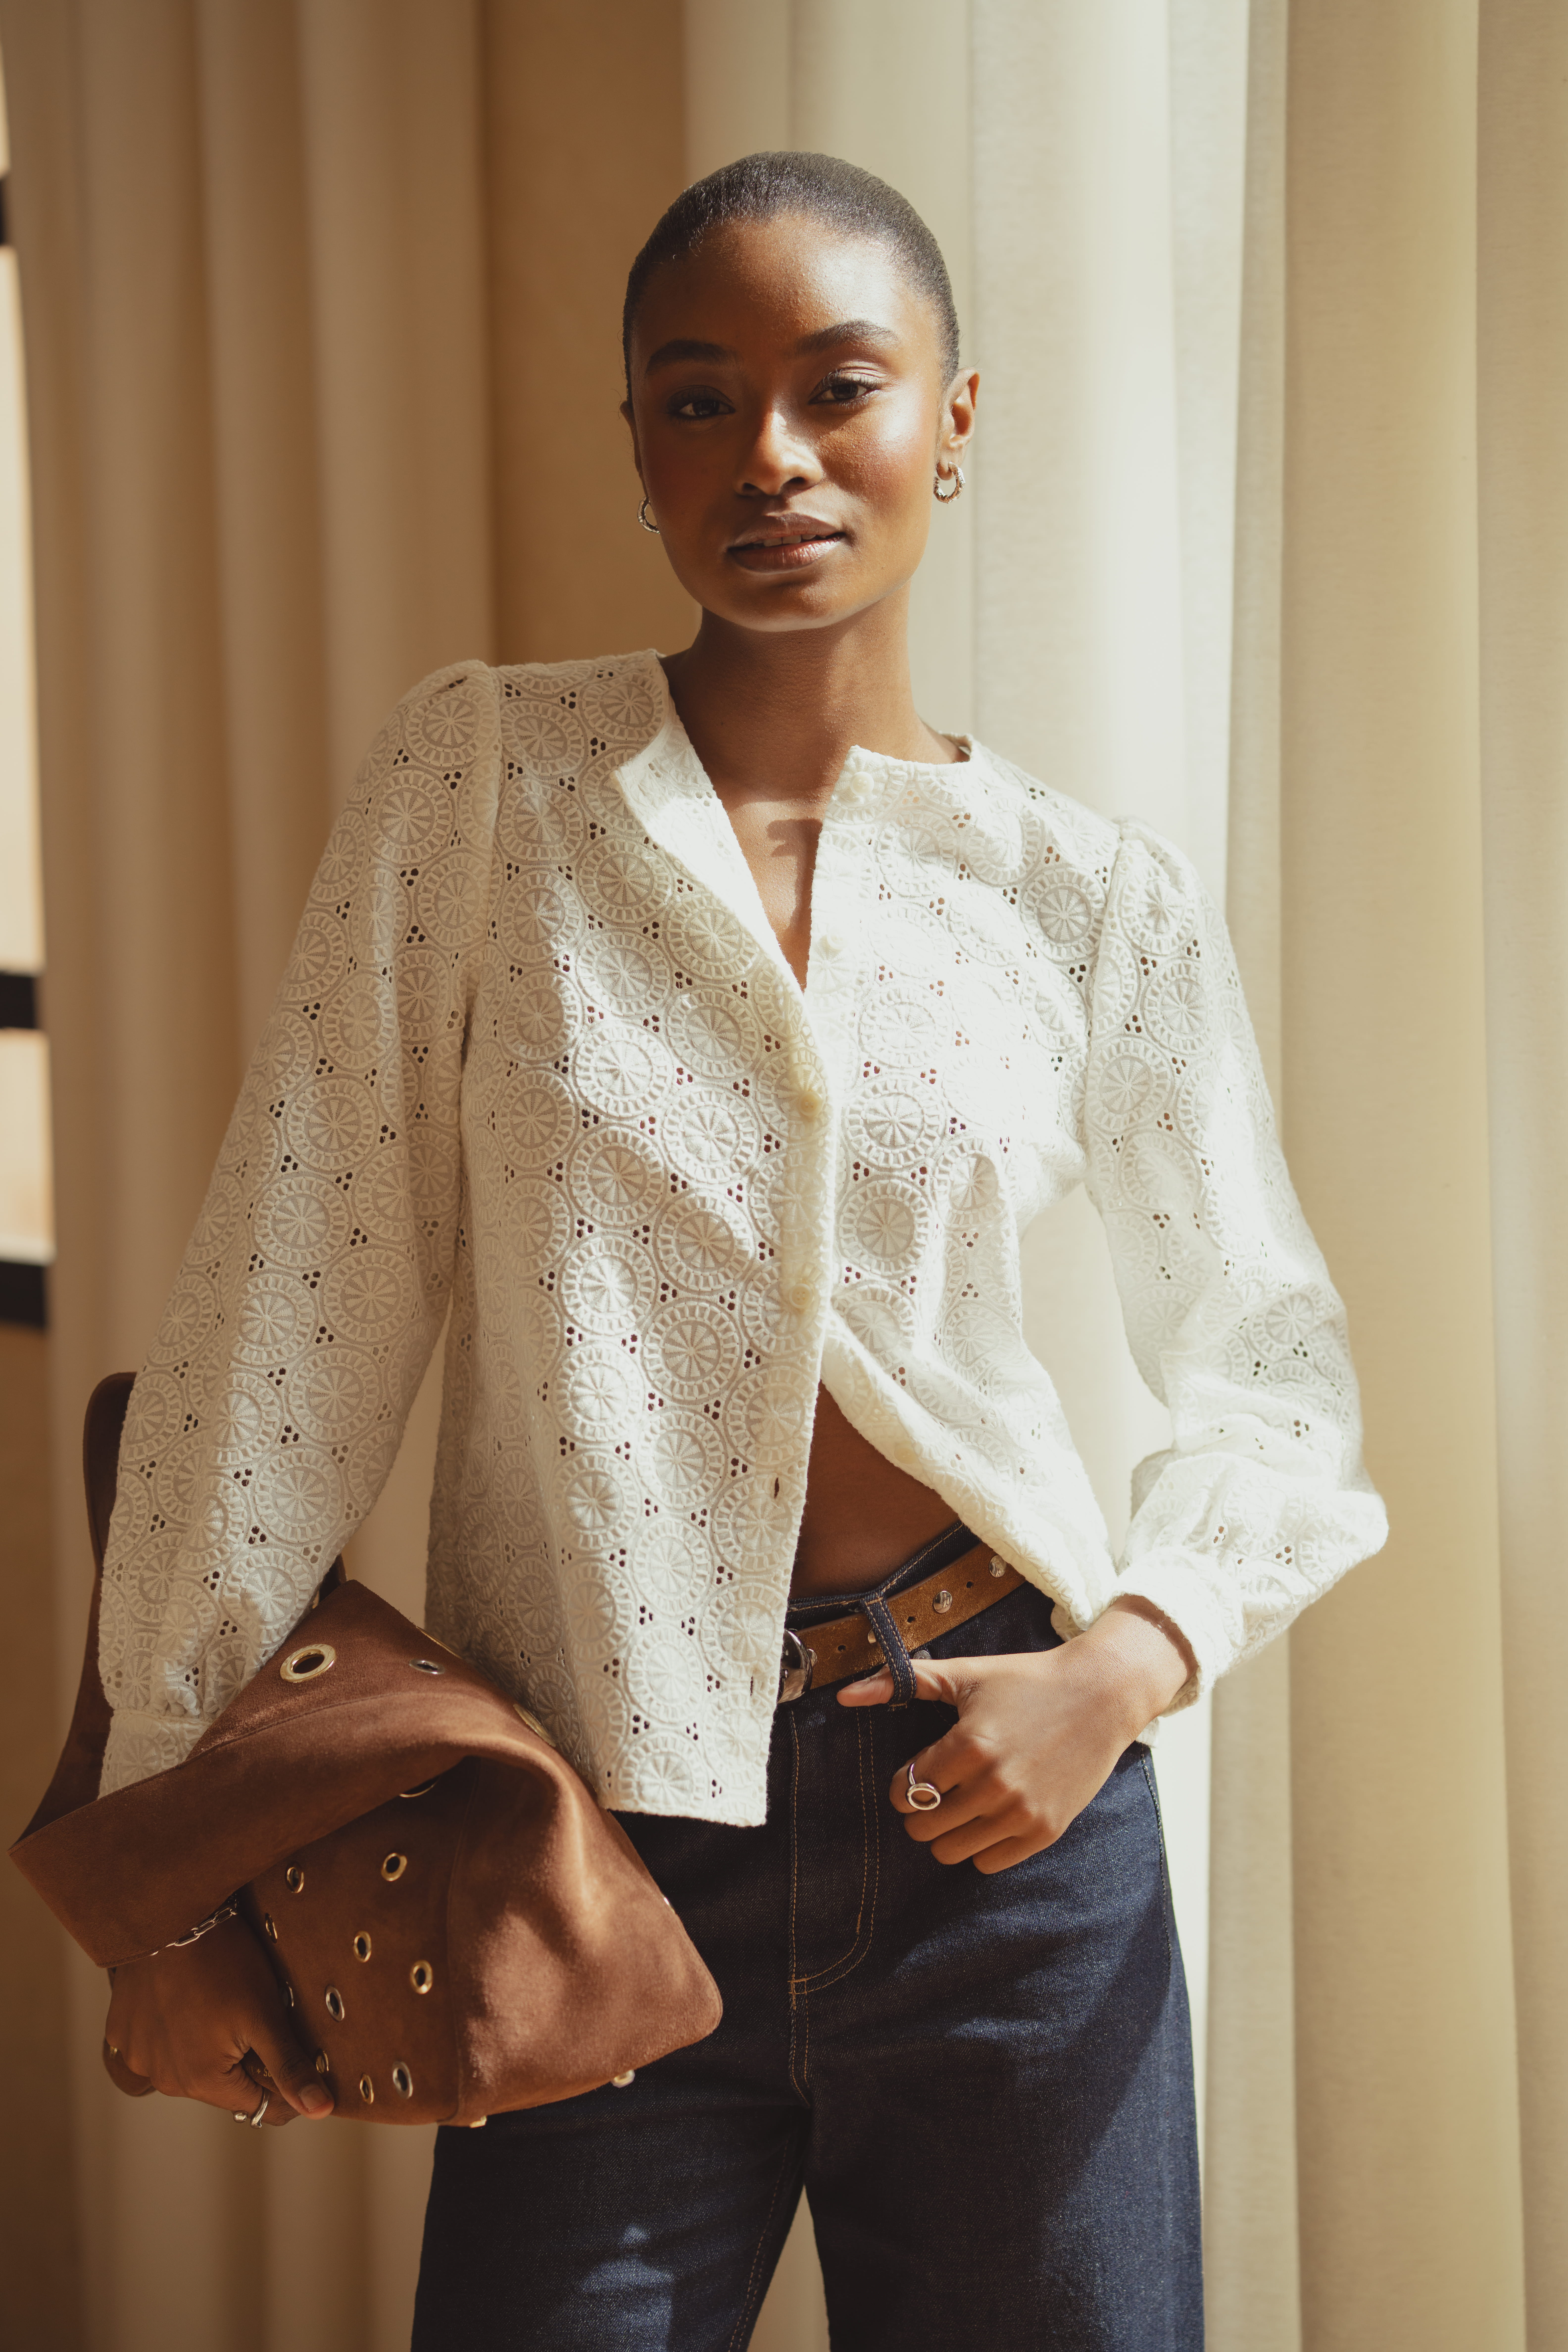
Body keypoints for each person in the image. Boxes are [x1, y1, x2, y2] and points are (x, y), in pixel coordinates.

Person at [99, 152, 1386, 2349]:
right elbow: (275, 1332)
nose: (768, 455)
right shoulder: (482, 788)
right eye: (696, 401)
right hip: (594, 1831)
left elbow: (1271, 1367)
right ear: (634, 446)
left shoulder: (1092, 895)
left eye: (838, 388)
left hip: (1005, 1827)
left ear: (954, 421)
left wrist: (1126, 1667)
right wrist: (174, 1866)